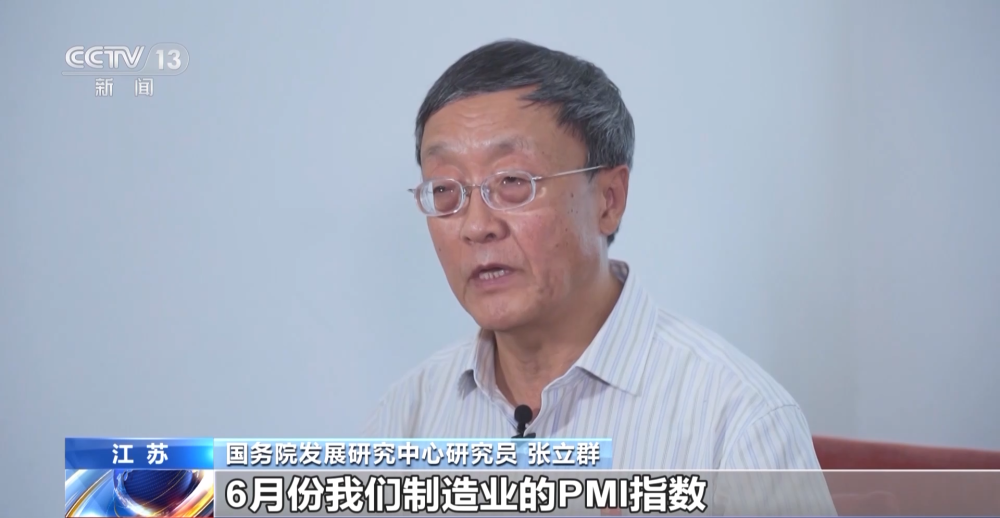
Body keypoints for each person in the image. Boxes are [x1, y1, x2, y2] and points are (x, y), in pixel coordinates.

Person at [362, 39, 835, 514]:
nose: (476, 226)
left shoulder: (737, 421)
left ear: (609, 199)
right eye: (445, 190)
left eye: (512, 182)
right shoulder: (408, 415)